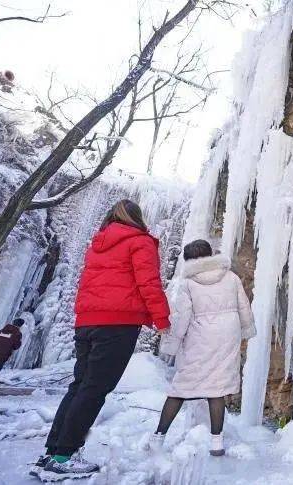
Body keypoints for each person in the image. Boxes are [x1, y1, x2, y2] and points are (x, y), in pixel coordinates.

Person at [34, 200, 171, 481]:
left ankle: (51, 454)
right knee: (94, 390)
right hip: (117, 325)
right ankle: (64, 457)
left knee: (80, 386)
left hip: (87, 322)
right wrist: (162, 319)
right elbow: (148, 283)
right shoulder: (140, 242)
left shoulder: (98, 244)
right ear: (137, 218)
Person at [151, 239, 256, 457]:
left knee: (180, 388)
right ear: (209, 255)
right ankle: (217, 443)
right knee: (216, 388)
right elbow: (244, 306)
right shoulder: (231, 277)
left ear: (188, 260)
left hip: (200, 338)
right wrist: (247, 330)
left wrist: (170, 345)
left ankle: (158, 438)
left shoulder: (188, 283)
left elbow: (181, 318)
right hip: (228, 336)